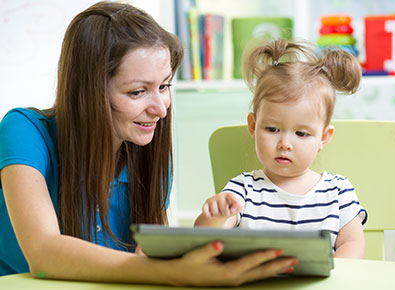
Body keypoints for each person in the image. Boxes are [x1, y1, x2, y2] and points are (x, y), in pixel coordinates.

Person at [0, 2, 298, 285]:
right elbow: (42, 252)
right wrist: (169, 272)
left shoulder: (146, 151)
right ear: (89, 92)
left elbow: (144, 258)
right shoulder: (24, 131)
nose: (161, 108)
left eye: (164, 86)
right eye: (138, 92)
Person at [195, 39, 368, 259]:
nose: (285, 144)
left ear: (323, 138)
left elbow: (354, 244)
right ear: (253, 126)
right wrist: (215, 216)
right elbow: (204, 237)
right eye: (273, 129)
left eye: (301, 134)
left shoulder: (339, 191)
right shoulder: (243, 190)